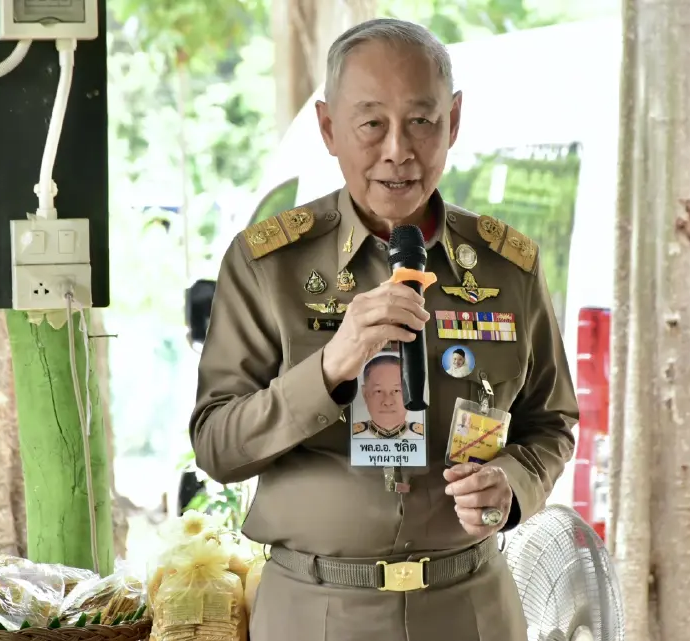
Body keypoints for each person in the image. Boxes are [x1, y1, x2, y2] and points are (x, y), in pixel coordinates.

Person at [189, 17, 578, 641]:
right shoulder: (269, 265)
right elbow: (217, 445)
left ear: (453, 121)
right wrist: (330, 367)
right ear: (327, 128)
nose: (398, 149)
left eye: (421, 121)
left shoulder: (508, 268)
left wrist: (513, 483)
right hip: (315, 611)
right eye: (371, 123)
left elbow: (551, 422)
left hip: (471, 605)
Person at [352, 353, 424, 439]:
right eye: (378, 391)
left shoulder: (422, 436)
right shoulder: (351, 435)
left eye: (396, 391)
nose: (387, 402)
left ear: (410, 394)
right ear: (365, 394)